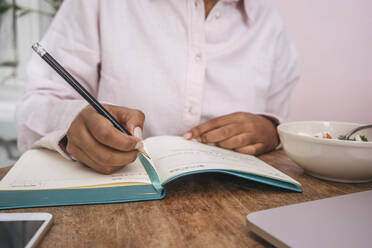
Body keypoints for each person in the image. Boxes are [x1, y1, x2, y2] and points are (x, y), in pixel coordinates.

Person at [16, 0, 299, 174]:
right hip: (113, 199)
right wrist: (72, 125)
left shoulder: (269, 21)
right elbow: (37, 102)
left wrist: (271, 130)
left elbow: (276, 121)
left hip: (235, 206)